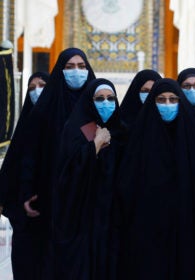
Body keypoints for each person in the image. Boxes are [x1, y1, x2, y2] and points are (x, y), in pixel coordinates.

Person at [112, 78, 195, 279]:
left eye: (173, 99)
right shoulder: (139, 137)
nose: (167, 104)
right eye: (161, 99)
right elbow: (127, 183)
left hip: (185, 224)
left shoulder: (194, 135)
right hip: (147, 226)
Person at [17, 48, 96, 279]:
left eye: (81, 66)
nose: (76, 72)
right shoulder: (45, 110)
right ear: (60, 71)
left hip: (86, 198)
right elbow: (30, 154)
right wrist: (26, 191)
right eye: (70, 67)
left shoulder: (96, 105)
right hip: (50, 197)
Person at [52, 78, 127, 280]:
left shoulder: (123, 131)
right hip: (81, 219)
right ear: (89, 101)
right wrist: (94, 145)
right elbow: (67, 174)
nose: (105, 103)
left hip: (113, 220)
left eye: (111, 98)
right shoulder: (75, 130)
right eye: (99, 98)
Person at [0, 72, 49, 280]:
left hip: (53, 221)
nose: (37, 90)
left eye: (42, 85)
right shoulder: (24, 127)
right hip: (25, 223)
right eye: (31, 87)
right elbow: (11, 171)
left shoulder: (63, 125)